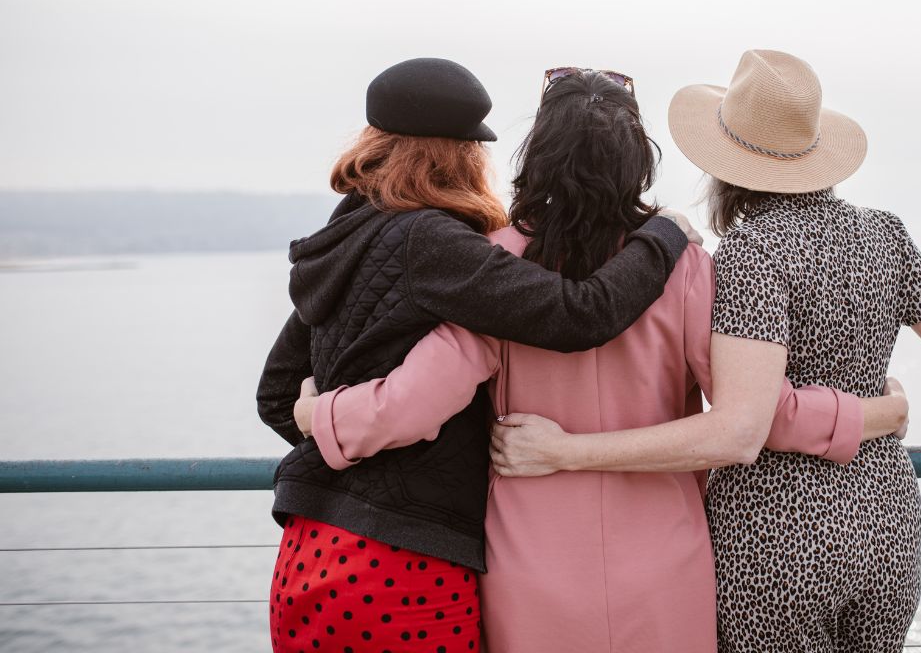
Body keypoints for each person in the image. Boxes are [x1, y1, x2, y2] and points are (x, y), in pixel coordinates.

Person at [491, 50, 921, 653]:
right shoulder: (885, 234)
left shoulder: (749, 254)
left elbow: (741, 422)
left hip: (775, 541)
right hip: (885, 522)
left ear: (725, 163)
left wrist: (565, 451)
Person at [291, 67, 911, 652]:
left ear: (536, 155)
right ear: (636, 162)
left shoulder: (496, 264)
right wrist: (873, 413)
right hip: (665, 570)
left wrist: (321, 412)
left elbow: (410, 406)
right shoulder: (687, 268)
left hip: (531, 573)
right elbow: (760, 417)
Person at [256, 58, 702, 653]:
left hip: (319, 550)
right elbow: (582, 315)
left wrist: (324, 428)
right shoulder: (453, 250)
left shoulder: (351, 240)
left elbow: (283, 394)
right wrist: (666, 234)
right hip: (419, 562)